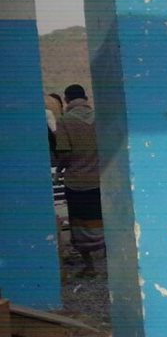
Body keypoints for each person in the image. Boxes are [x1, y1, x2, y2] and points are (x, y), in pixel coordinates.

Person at [55, 85, 104, 276]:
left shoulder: (65, 120)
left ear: (67, 100)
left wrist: (60, 169)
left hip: (77, 182)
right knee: (105, 220)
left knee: (80, 224)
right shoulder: (100, 118)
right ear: (85, 99)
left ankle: (90, 266)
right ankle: (109, 265)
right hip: (102, 180)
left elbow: (65, 152)